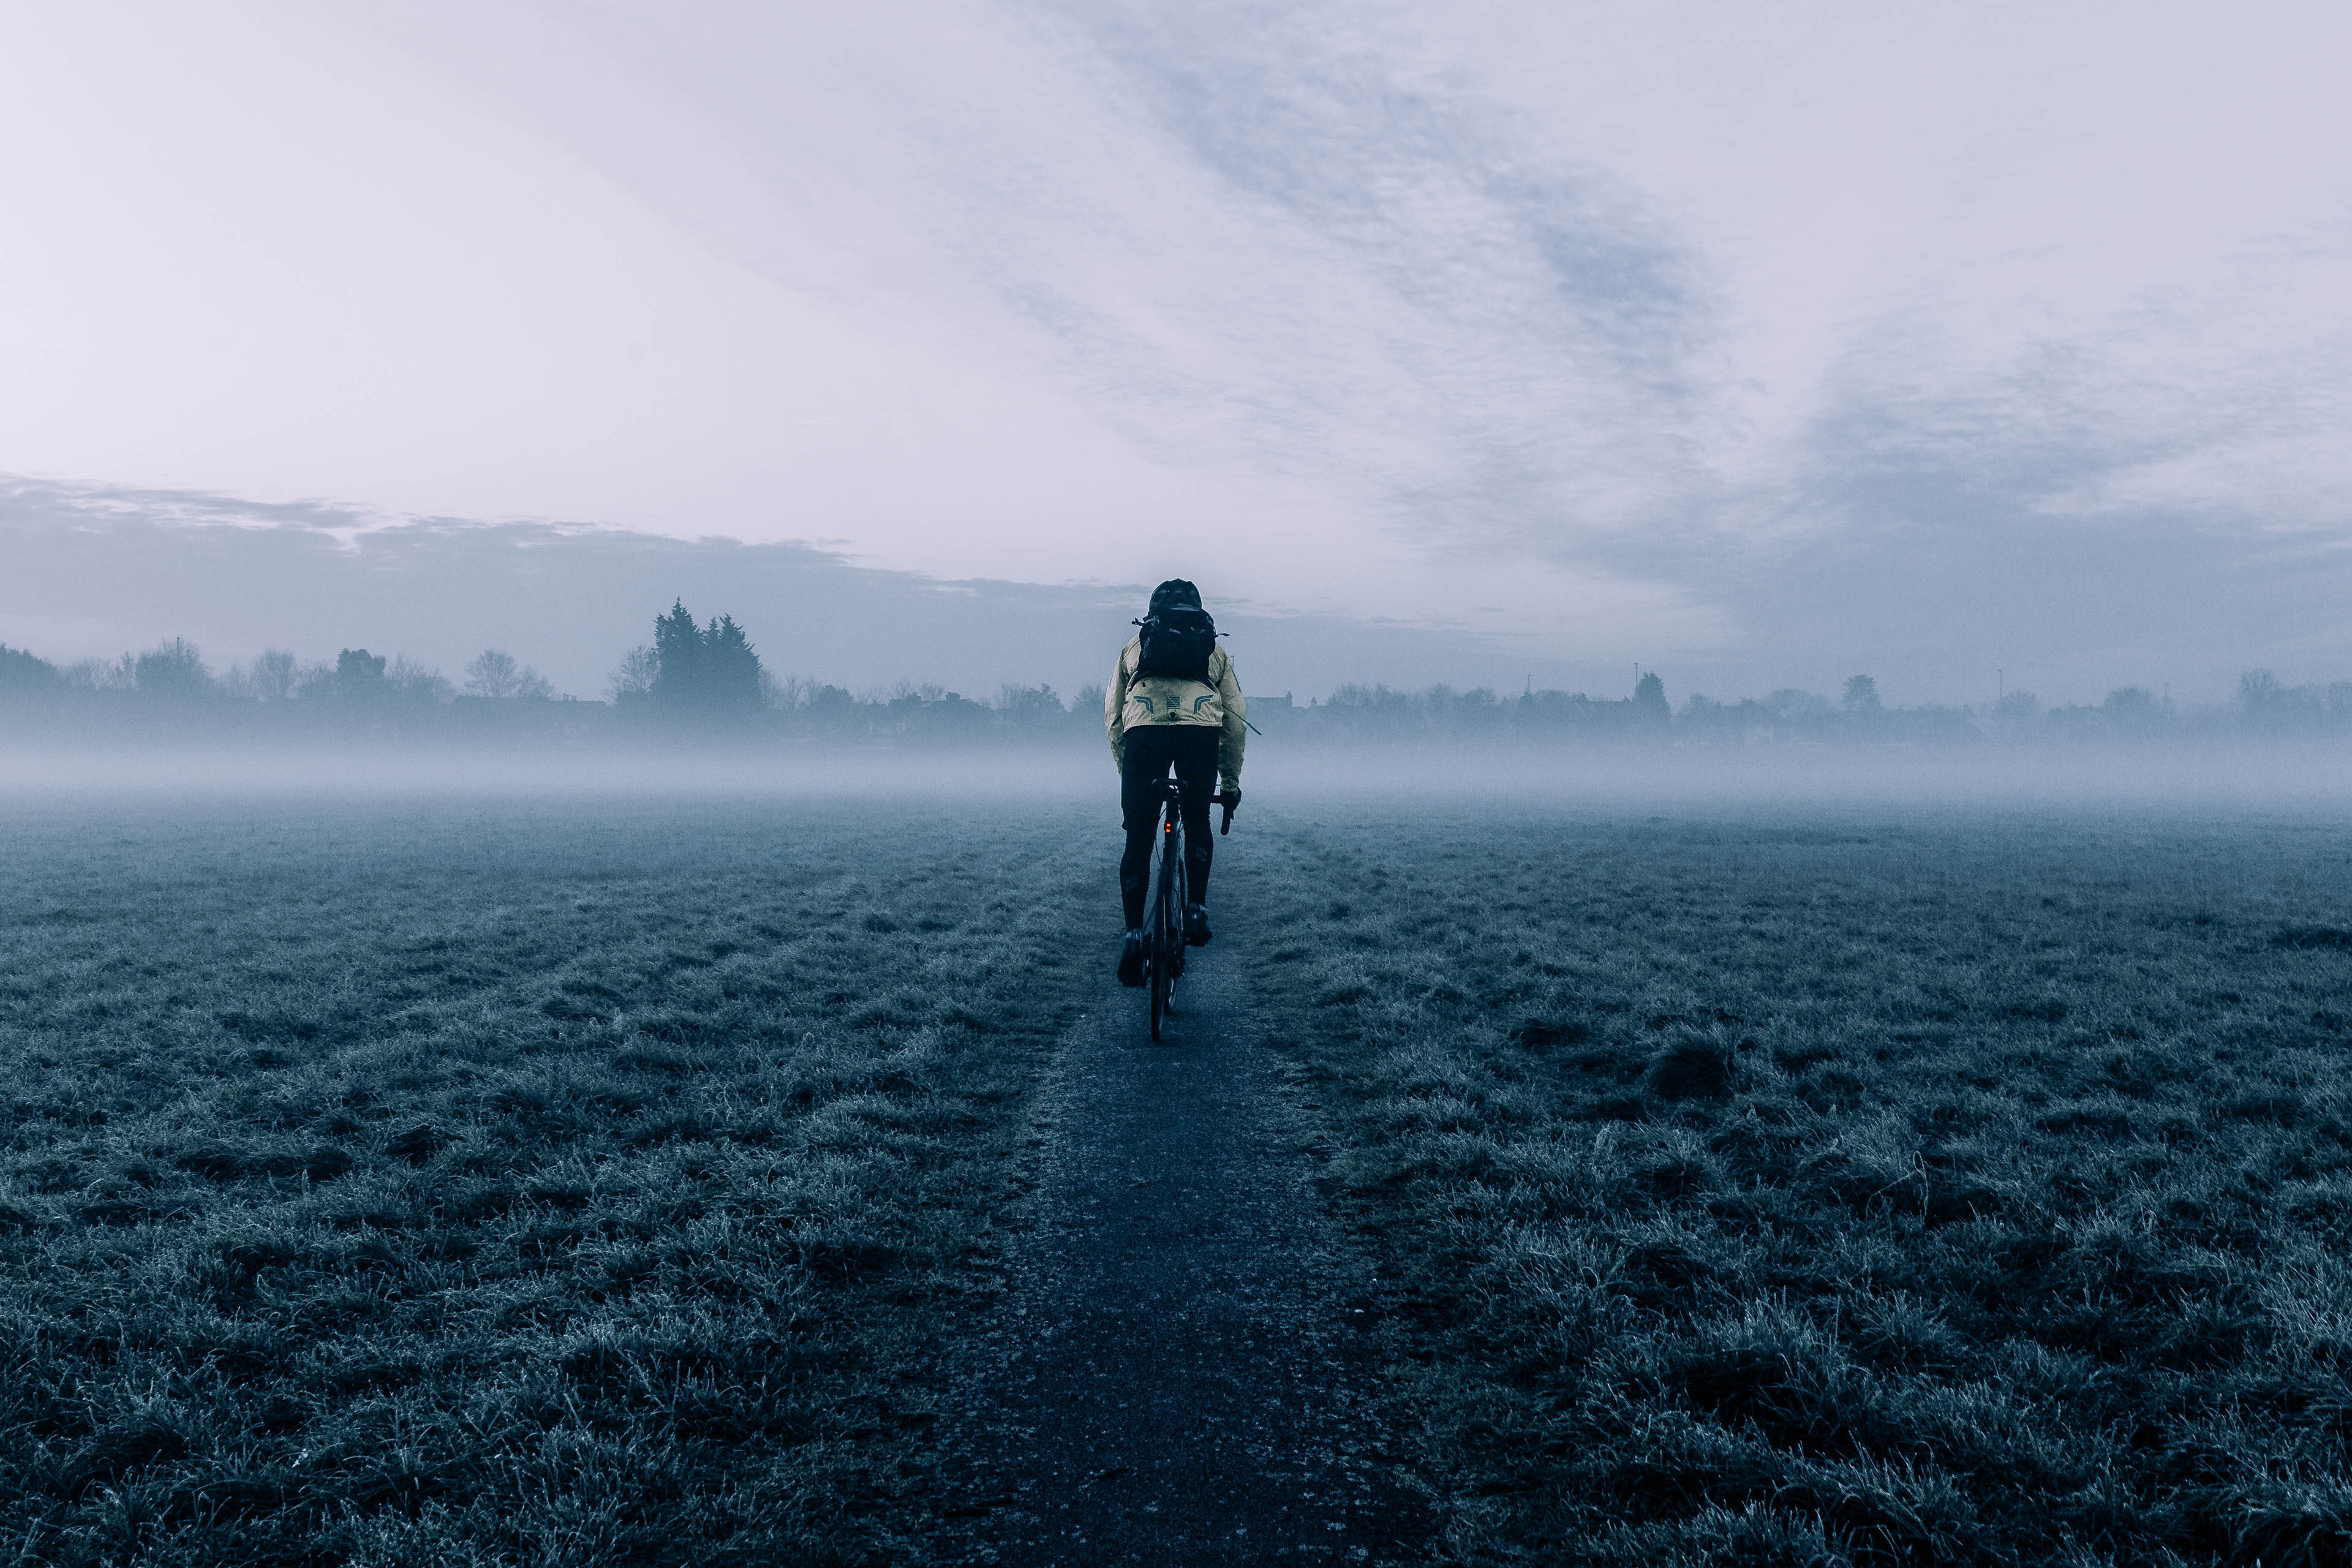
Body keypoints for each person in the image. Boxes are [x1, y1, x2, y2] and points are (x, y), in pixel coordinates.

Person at [1105, 579, 1246, 986]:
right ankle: (1197, 908)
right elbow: (1235, 722)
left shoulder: (1134, 647)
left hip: (1144, 736)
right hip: (1198, 736)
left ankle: (1134, 934)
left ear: (1151, 615)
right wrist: (1231, 783)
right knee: (1197, 818)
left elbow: (1114, 717)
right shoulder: (1213, 650)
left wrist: (1128, 777)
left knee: (1138, 838)